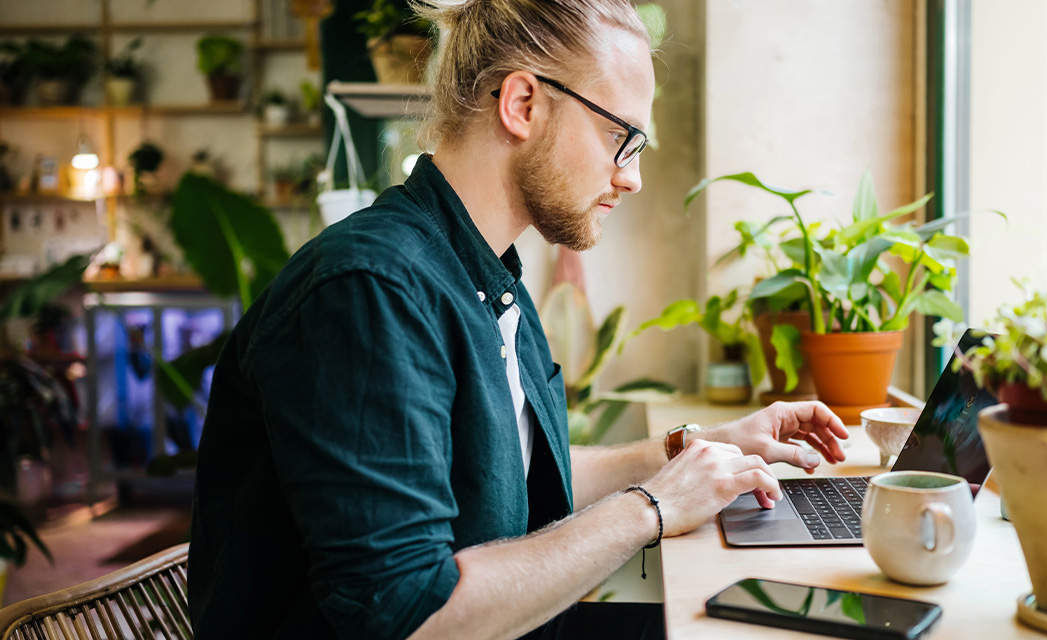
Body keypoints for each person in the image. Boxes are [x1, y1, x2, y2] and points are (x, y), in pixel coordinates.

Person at [187, 1, 850, 638]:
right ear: (523, 103)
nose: (633, 178)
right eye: (622, 137)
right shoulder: (368, 291)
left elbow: (518, 464)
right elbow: (410, 615)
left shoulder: (484, 270)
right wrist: (653, 507)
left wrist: (694, 449)